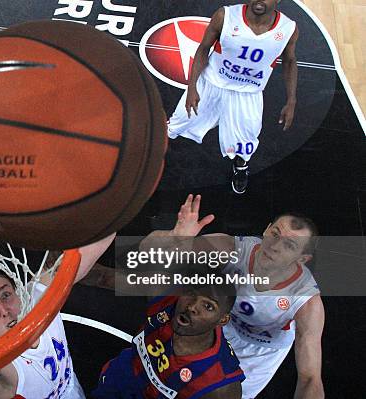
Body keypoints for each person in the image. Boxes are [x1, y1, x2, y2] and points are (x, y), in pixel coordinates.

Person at [140, 194, 325, 399]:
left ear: (302, 259)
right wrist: (176, 236)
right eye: (275, 233)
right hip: (220, 326)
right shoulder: (230, 248)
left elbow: (309, 378)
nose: (275, 245)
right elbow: (146, 253)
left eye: (289, 245)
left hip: (258, 353)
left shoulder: (306, 301)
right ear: (266, 229)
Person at [0, 234, 116, 398]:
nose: (4, 310)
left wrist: (122, 200)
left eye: (6, 295)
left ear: (18, 291)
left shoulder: (38, 297)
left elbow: (92, 247)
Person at [167, 0, 298, 194]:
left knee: (246, 140)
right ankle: (157, 147)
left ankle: (241, 165)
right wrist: (192, 87)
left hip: (247, 93)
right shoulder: (225, 16)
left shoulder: (288, 29)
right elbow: (204, 48)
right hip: (211, 83)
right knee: (179, 122)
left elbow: (289, 61)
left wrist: (291, 100)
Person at [92, 279, 244, 399]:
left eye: (208, 306)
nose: (192, 307)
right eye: (191, 293)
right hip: (120, 377)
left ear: (222, 320)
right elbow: (103, 277)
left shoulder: (220, 384)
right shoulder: (168, 297)